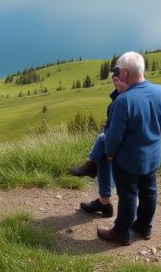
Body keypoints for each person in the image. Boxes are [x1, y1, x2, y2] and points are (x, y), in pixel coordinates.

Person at [97, 52, 161, 245]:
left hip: (128, 159)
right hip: (152, 156)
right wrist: (150, 135)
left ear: (125, 73)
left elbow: (113, 136)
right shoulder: (160, 91)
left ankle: (121, 233)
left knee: (128, 195)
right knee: (149, 191)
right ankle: (144, 227)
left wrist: (111, 155)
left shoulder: (124, 101)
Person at [69, 71, 130, 217]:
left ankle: (91, 165)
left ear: (128, 75)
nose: (115, 81)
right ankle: (104, 203)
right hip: (123, 137)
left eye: (118, 78)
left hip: (131, 143)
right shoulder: (124, 94)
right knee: (103, 145)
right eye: (114, 79)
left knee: (103, 141)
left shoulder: (131, 96)